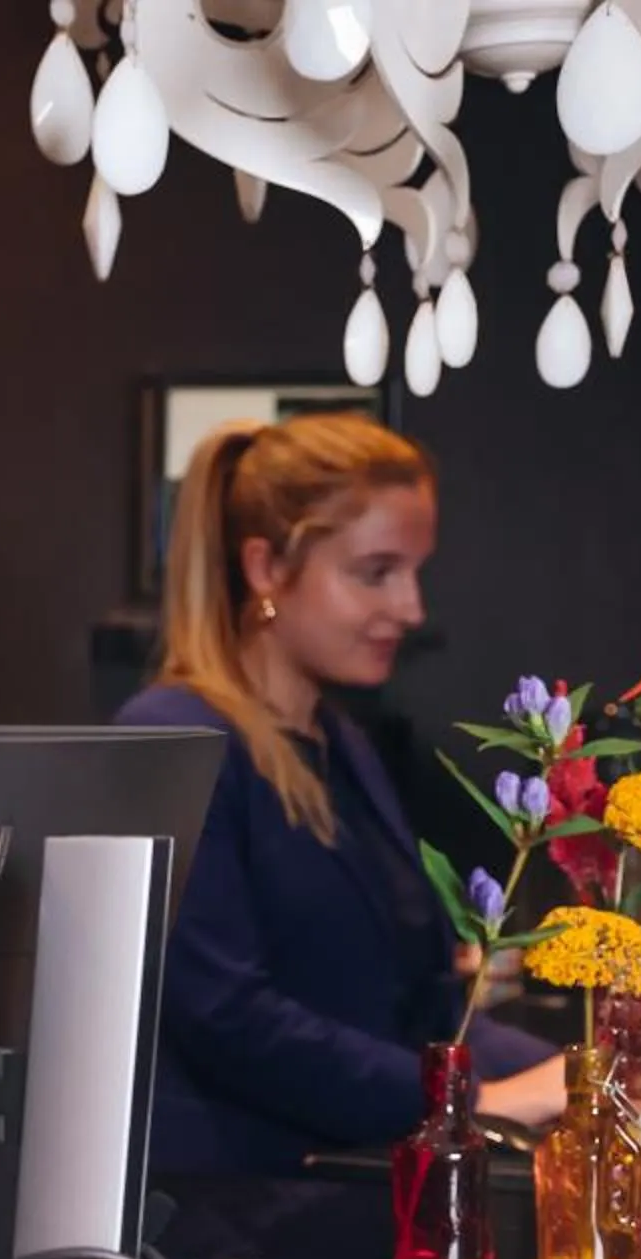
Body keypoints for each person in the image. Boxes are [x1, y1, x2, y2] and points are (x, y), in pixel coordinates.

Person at [115, 412, 563, 1174]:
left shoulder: (342, 741)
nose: (412, 609)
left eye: (414, 572)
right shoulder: (172, 737)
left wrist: (580, 1080)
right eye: (375, 572)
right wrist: (472, 1104)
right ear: (265, 568)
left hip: (352, 1185)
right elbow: (227, 1021)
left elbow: (421, 1009)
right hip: (236, 1215)